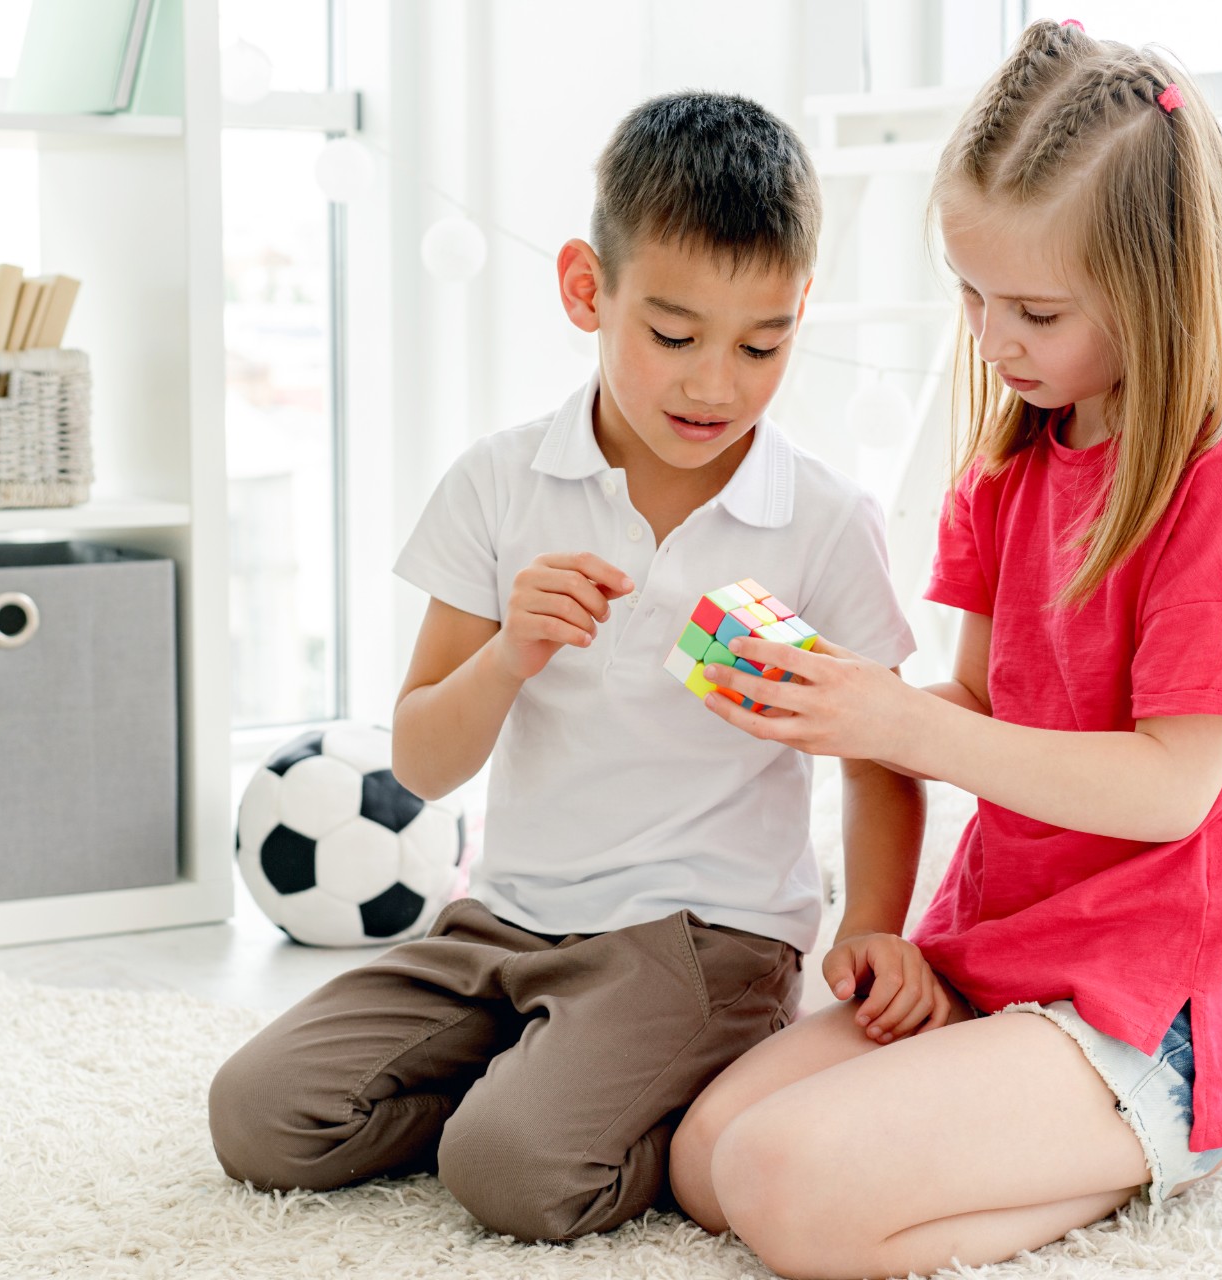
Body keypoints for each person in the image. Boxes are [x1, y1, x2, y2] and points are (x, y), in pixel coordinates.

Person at [668, 20, 1222, 1279]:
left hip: (1149, 1007)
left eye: (1033, 308)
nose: (991, 336)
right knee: (707, 1159)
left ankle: (1159, 1146)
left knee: (784, 1188)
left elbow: (1169, 787)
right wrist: (831, 700)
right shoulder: (1017, 455)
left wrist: (905, 723)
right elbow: (978, 701)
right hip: (1000, 955)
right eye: (969, 293)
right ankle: (999, 1131)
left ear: (1156, 287)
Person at [206, 90, 923, 1244]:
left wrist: (875, 923)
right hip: (504, 920)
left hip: (703, 936)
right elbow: (423, 759)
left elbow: (885, 754)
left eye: (765, 343)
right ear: (589, 289)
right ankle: (545, 1074)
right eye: (675, 334)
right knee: (260, 1116)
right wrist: (509, 653)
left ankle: (569, 1091)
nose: (716, 385)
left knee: (516, 1175)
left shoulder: (825, 520)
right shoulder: (500, 482)